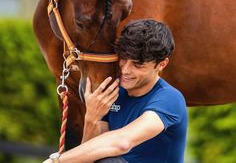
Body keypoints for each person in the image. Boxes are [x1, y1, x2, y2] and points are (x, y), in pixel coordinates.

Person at [44, 19, 188, 163]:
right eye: (124, 59)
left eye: (138, 65)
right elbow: (90, 154)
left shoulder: (169, 99)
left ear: (162, 64)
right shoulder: (114, 92)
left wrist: (56, 160)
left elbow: (122, 142)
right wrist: (92, 117)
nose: (125, 70)